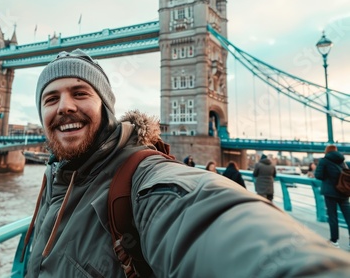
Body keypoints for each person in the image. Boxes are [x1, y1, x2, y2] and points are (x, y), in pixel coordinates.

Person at [24, 49, 350, 277]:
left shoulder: (141, 178)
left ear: (106, 109)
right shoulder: (54, 178)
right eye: (51, 99)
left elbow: (203, 215)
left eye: (80, 93)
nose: (65, 106)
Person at [315, 144, 350, 248]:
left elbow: (318, 175)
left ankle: (334, 241)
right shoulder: (342, 161)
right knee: (348, 217)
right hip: (343, 191)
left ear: (326, 151)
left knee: (333, 217)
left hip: (330, 193)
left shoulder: (324, 160)